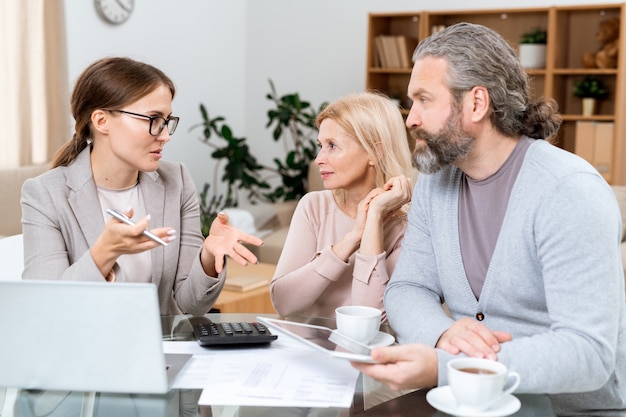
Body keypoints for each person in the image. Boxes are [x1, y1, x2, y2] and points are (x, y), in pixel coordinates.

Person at [352, 23, 626, 416]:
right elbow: (408, 287)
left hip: (569, 409)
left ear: (476, 103)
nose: (410, 119)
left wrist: (452, 367)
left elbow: (589, 352)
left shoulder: (569, 190)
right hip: (468, 402)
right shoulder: (436, 181)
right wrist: (443, 332)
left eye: (424, 100)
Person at [21, 56, 263, 317]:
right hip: (86, 350)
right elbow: (45, 308)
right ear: (102, 121)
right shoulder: (45, 194)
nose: (166, 135)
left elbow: (190, 306)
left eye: (168, 120)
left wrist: (207, 257)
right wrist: (105, 252)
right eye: (153, 119)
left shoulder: (177, 181)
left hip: (161, 349)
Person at [270, 91, 413, 319]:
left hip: (364, 352)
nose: (319, 159)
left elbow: (368, 318)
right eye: (320, 145)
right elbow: (283, 303)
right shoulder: (313, 207)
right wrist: (350, 240)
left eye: (332, 146)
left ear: (375, 152)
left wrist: (374, 218)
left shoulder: (407, 228)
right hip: (303, 348)